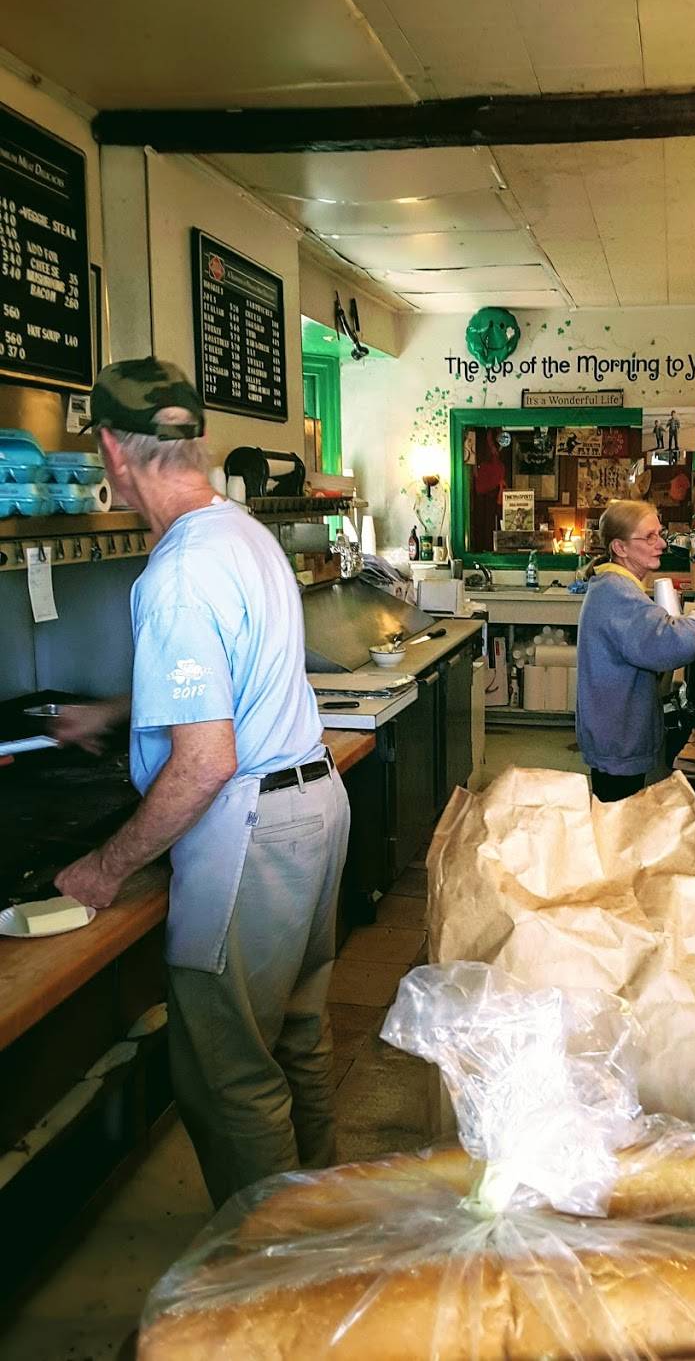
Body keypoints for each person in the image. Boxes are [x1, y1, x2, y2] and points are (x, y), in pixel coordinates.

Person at [53, 358, 349, 1208]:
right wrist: (121, 710)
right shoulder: (241, 531)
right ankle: (328, 1233)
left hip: (253, 833)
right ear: (200, 441)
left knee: (231, 1079)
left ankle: (268, 1271)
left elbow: (205, 761)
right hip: (314, 806)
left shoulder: (179, 572)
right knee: (296, 1042)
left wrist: (105, 867)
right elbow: (232, 675)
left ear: (112, 451)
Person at [576, 500, 695, 803]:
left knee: (616, 812)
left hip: (614, 730)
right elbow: (666, 644)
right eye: (649, 537)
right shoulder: (618, 592)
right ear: (620, 547)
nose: (661, 544)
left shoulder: (613, 584)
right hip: (618, 736)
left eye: (660, 534)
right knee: (619, 815)